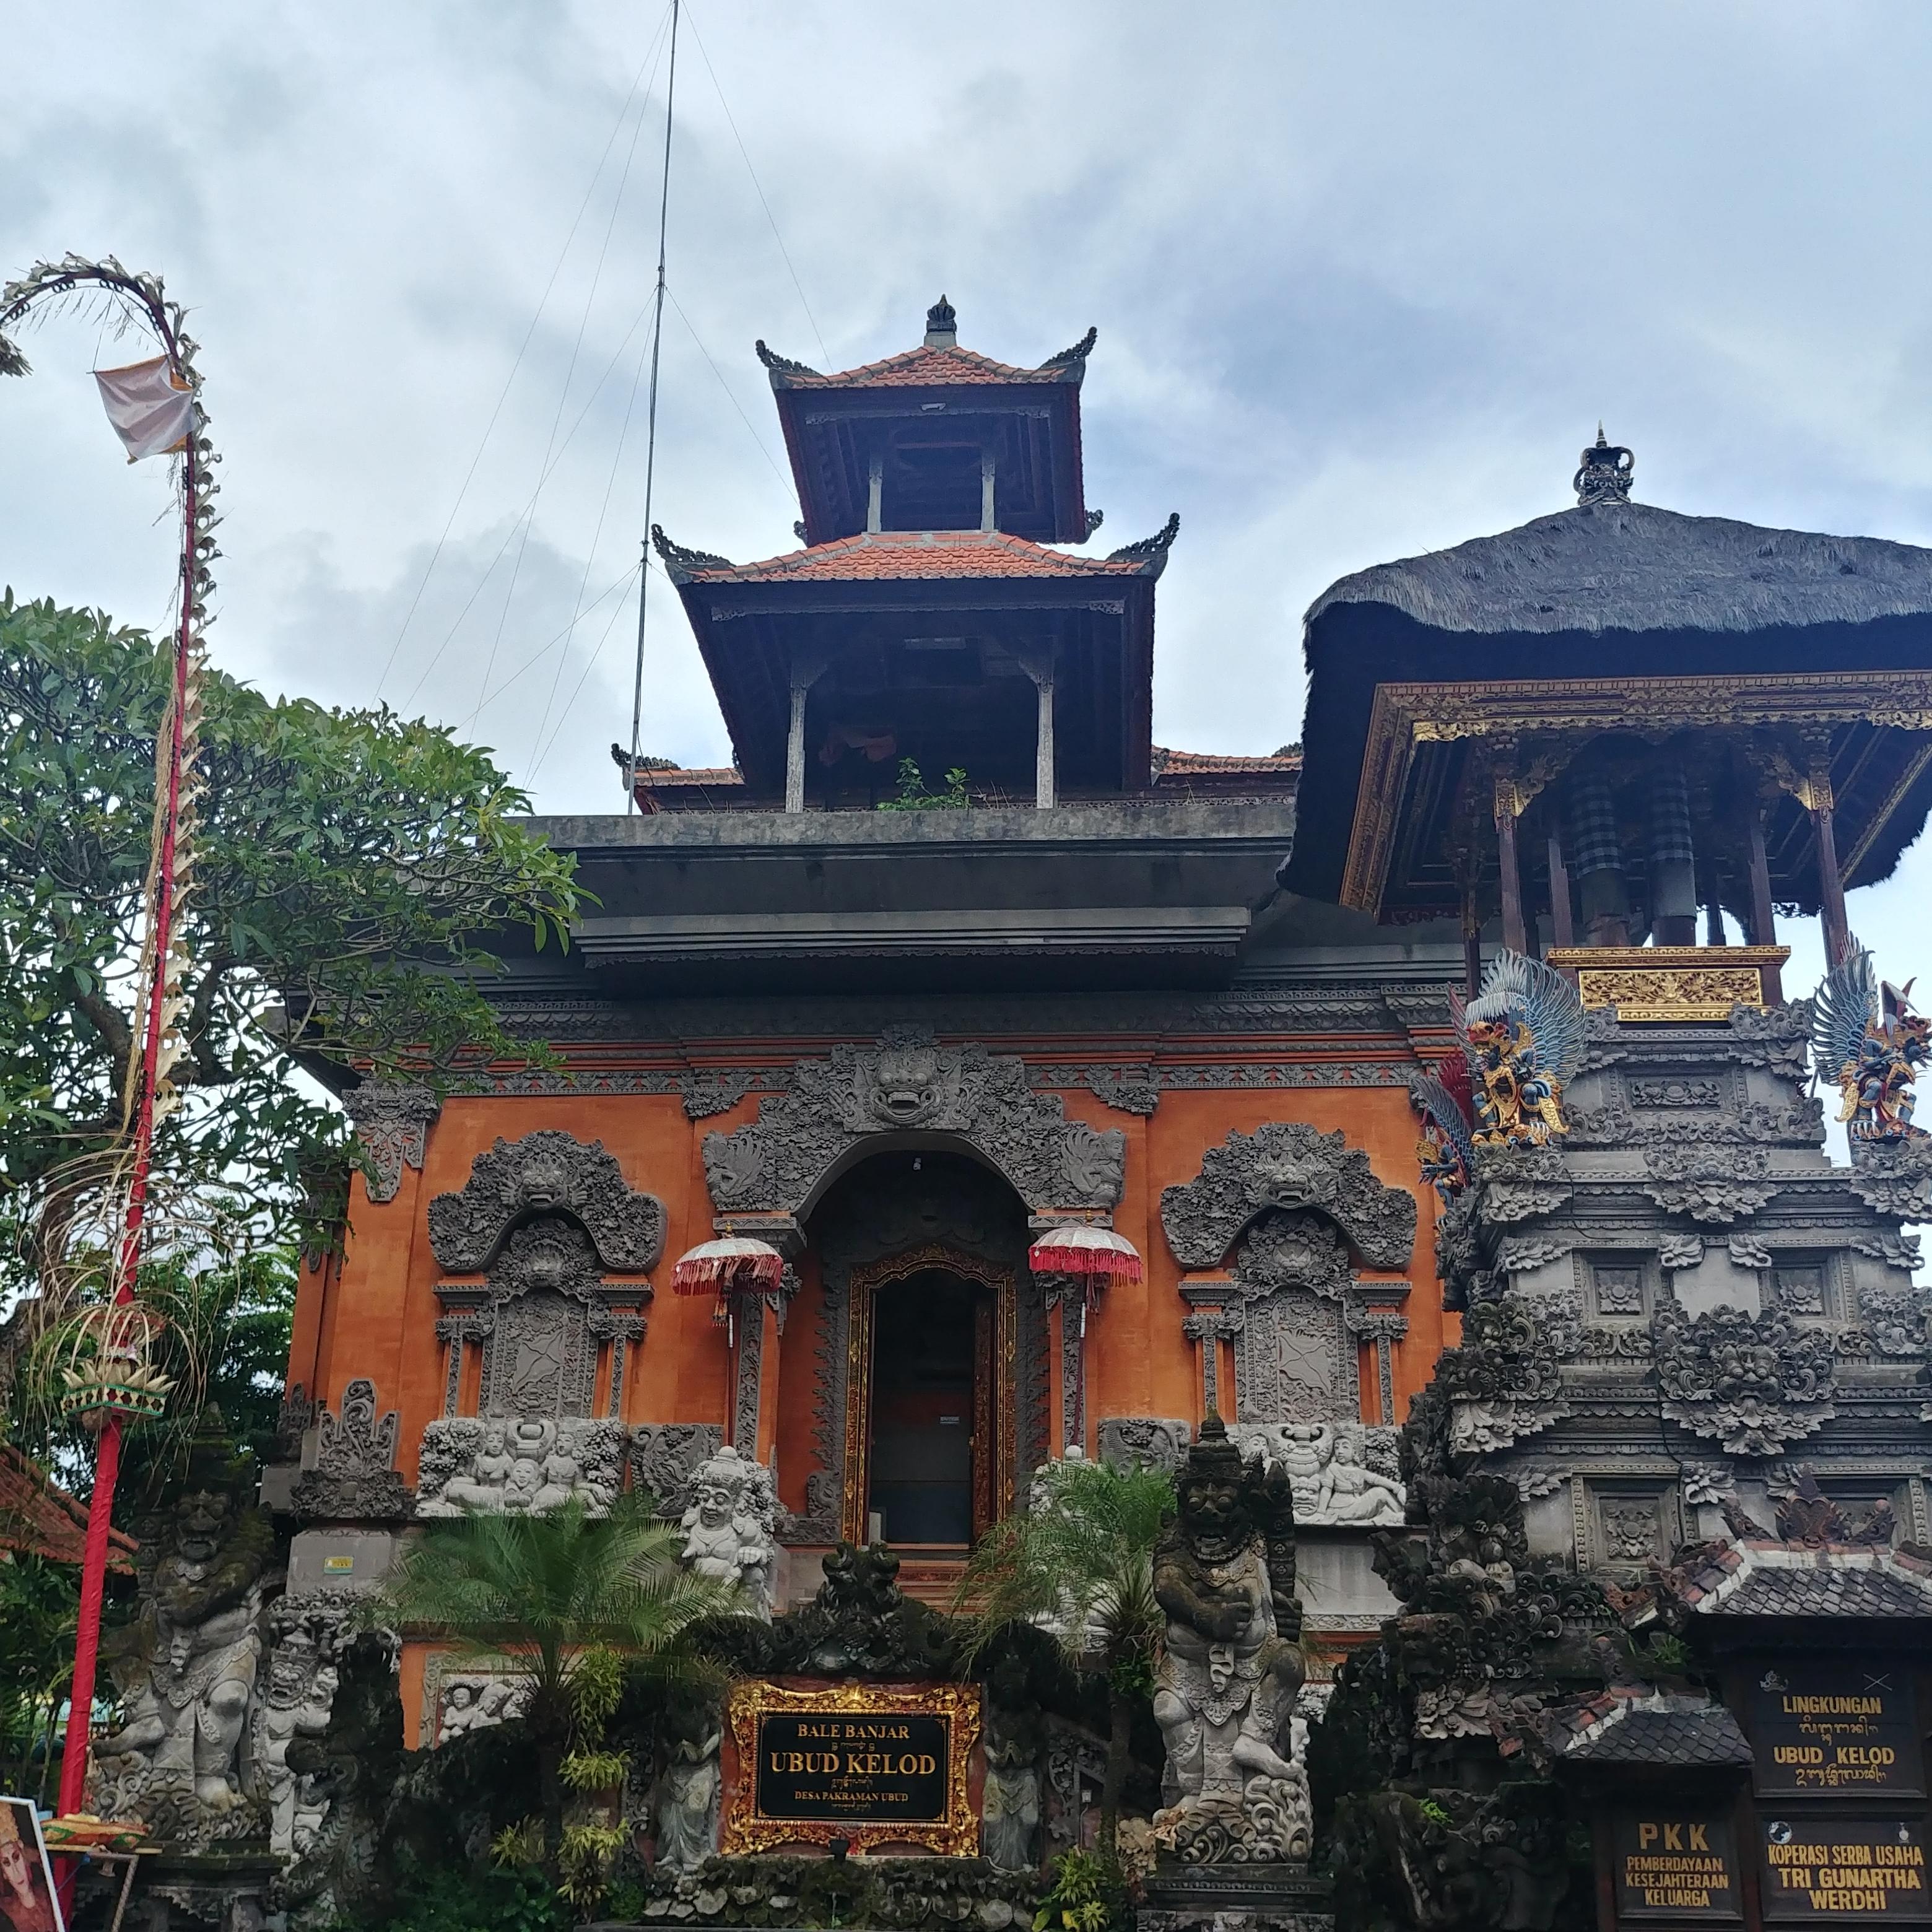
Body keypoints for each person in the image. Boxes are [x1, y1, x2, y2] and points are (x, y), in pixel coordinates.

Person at [0, 1804, 58, 1932]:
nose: (16, 1872)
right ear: (4, 1873)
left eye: (16, 1858)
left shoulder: (47, 1895)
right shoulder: (6, 1910)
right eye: (6, 1863)